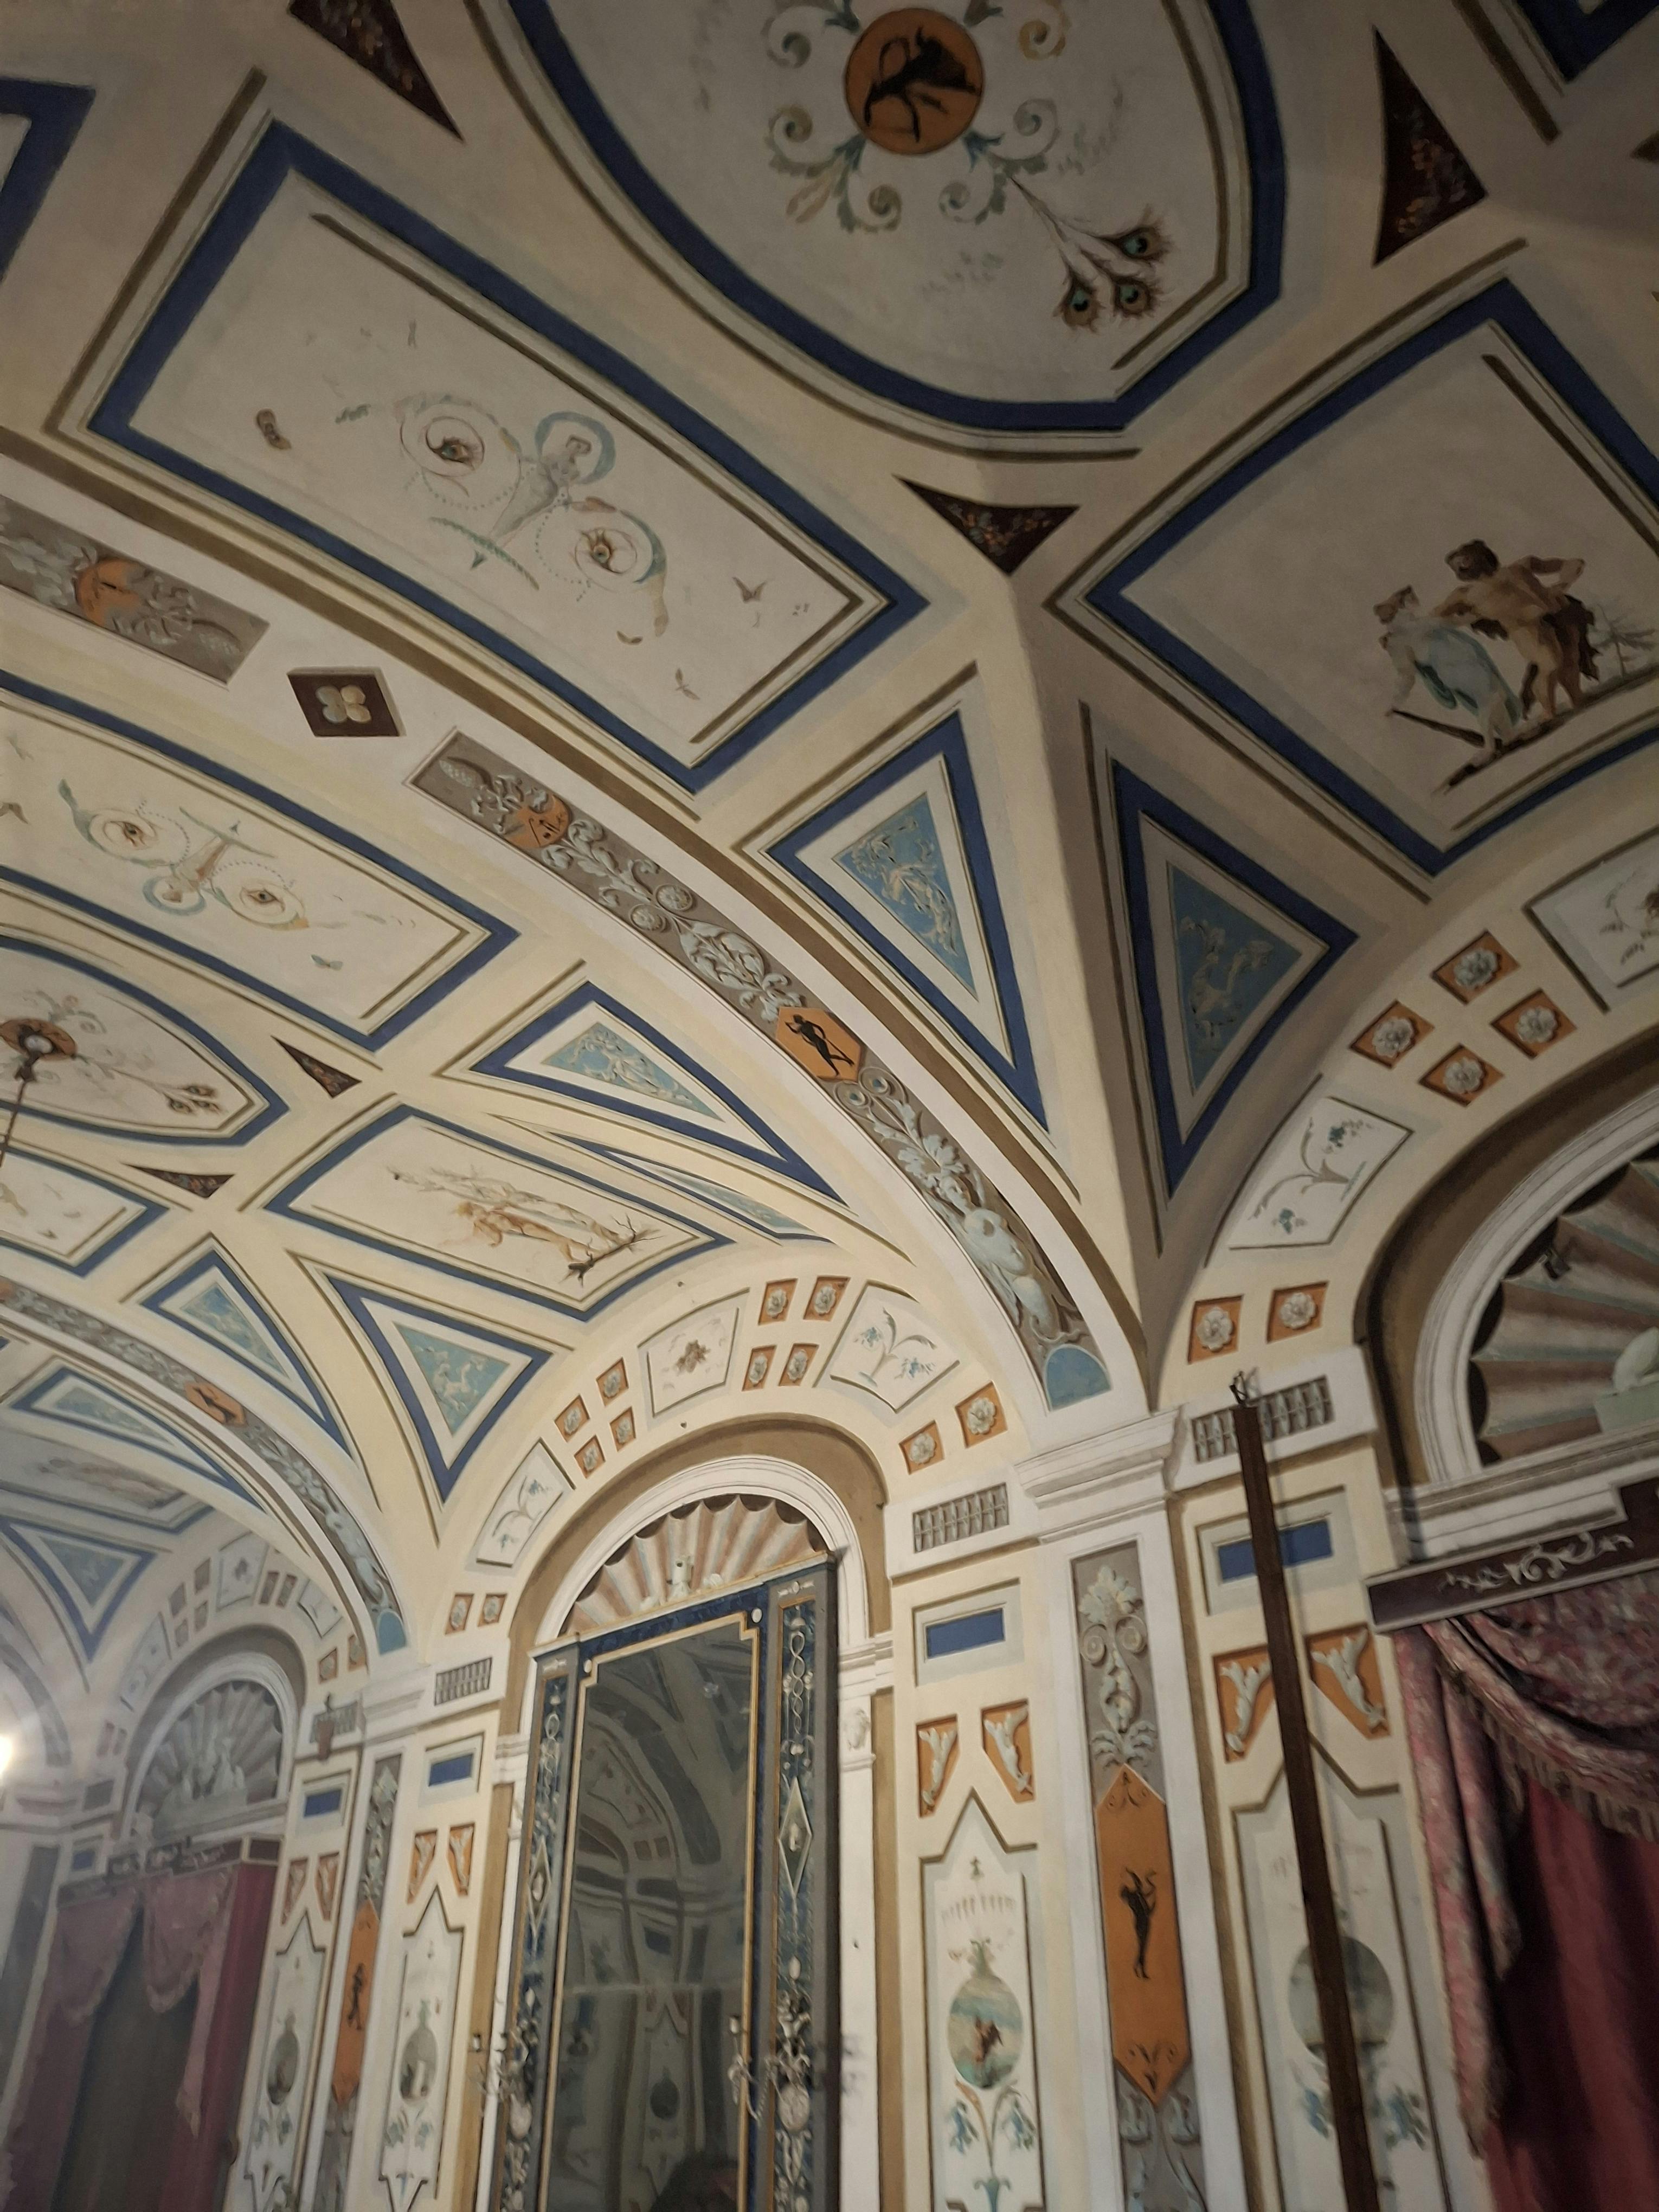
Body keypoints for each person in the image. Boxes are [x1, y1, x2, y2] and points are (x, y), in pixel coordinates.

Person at [1433, 540, 1598, 723]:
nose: (1462, 565)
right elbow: (1436, 616)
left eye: (1464, 559)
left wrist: (1563, 583)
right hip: (1526, 630)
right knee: (1550, 664)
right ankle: (1548, 712)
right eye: (1457, 565)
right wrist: (1463, 620)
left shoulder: (1521, 567)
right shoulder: (1465, 595)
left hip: (1557, 615)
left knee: (1570, 661)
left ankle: (1577, 698)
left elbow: (1571, 564)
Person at [1375, 584, 1522, 756]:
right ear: (1400, 609)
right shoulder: (1402, 637)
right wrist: (1395, 702)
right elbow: (1406, 675)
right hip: (1454, 666)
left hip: (1464, 659)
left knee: (1494, 694)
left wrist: (1477, 614)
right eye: (1409, 601)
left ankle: (1507, 736)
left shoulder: (1413, 627)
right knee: (1490, 698)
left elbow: (1449, 622)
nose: (1414, 604)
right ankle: (1490, 745)